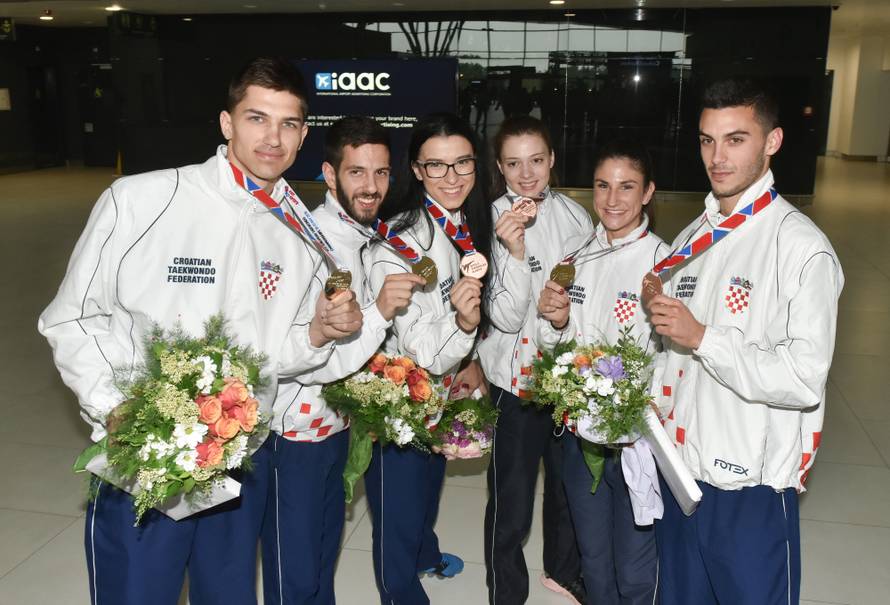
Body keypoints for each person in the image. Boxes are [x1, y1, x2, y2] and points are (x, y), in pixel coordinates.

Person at [37, 57, 363, 605]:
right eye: (257, 118)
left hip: (239, 462)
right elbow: (71, 316)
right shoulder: (143, 199)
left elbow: (274, 356)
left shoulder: (302, 233)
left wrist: (316, 334)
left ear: (304, 135)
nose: (272, 138)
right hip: (146, 456)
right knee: (137, 594)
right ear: (226, 123)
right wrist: (116, 406)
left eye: (288, 124)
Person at [644, 78, 844, 604]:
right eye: (708, 140)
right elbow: (667, 354)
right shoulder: (692, 237)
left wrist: (705, 337)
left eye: (736, 139)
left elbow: (803, 379)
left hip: (748, 490)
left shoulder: (800, 249)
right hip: (681, 475)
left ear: (772, 141)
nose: (718, 156)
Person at [261, 116, 424, 604]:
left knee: (323, 548)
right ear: (330, 175)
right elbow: (301, 354)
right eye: (356, 172)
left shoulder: (367, 235)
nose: (371, 186)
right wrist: (379, 313)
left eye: (380, 173)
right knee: (295, 564)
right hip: (297, 433)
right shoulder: (309, 244)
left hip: (338, 426)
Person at [364, 112, 493, 604]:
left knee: (429, 480)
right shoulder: (399, 243)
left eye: (462, 163)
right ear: (416, 171)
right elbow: (422, 348)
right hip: (398, 395)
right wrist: (462, 329)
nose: (453, 177)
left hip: (442, 386)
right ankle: (401, 591)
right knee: (398, 501)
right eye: (437, 167)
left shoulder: (461, 221)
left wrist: (471, 354)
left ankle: (422, 552)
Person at [536, 138, 666, 605]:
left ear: (648, 192)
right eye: (603, 186)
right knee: (592, 556)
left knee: (635, 564)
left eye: (627, 187)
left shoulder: (663, 263)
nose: (613, 200)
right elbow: (555, 346)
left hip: (637, 442)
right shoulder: (577, 258)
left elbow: (672, 357)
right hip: (580, 438)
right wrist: (556, 322)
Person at [477, 114, 589, 605]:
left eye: (537, 160)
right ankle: (506, 592)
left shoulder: (575, 217)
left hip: (564, 375)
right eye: (515, 163)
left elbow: (586, 296)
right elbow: (501, 316)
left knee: (566, 489)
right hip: (513, 380)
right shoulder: (487, 221)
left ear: (552, 161)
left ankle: (565, 573)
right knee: (512, 498)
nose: (527, 174)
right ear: (499, 167)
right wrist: (516, 252)